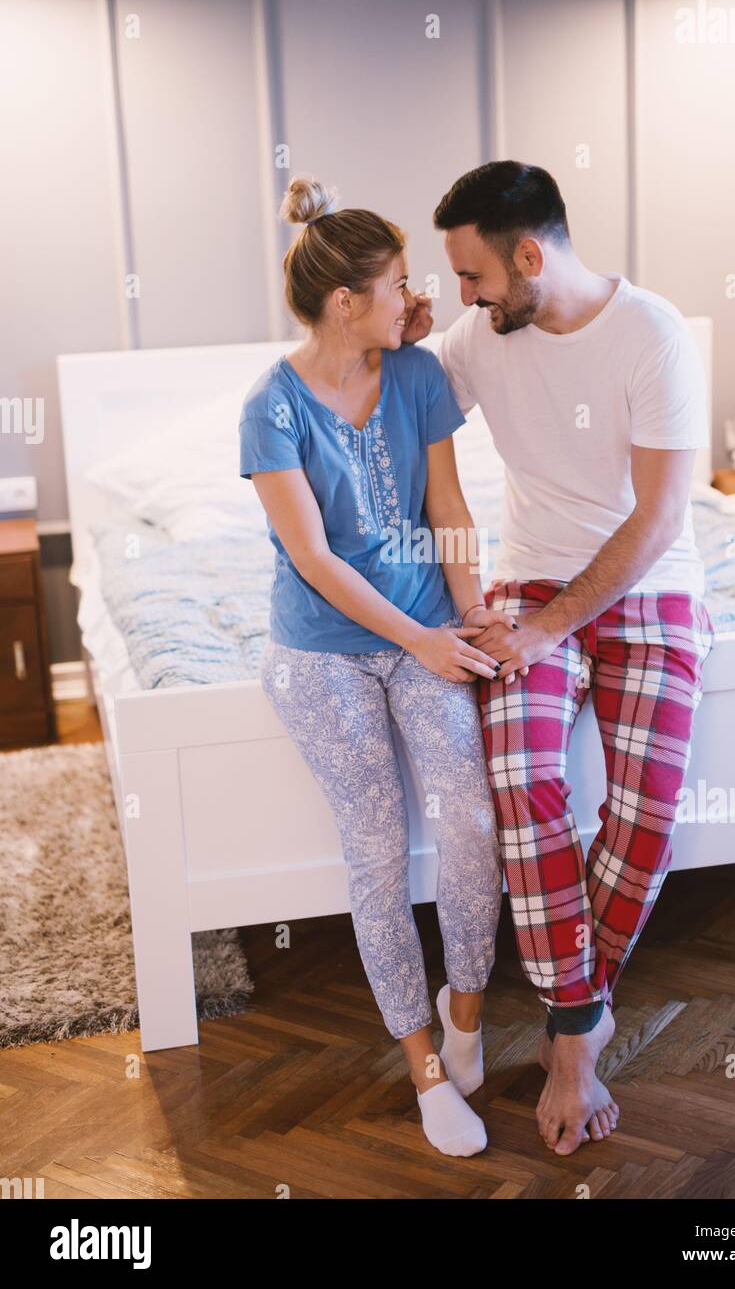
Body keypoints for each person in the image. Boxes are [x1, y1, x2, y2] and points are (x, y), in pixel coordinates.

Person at [431, 160, 715, 1155]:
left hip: (649, 584)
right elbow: (396, 407)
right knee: (521, 776)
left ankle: (567, 1015)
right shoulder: (478, 335)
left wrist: (552, 628)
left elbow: (662, 515)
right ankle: (575, 1035)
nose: (461, 298)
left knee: (647, 814)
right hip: (527, 583)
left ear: (529, 253)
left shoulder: (654, 335)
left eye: (472, 275)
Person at [238, 177, 513, 1158]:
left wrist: (470, 607)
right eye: (399, 282)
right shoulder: (269, 409)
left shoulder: (420, 373)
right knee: (376, 850)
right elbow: (314, 558)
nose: (417, 295)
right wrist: (418, 639)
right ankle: (425, 1065)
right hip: (322, 651)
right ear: (347, 299)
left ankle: (468, 1014)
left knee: (473, 819)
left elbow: (448, 506)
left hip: (432, 629)